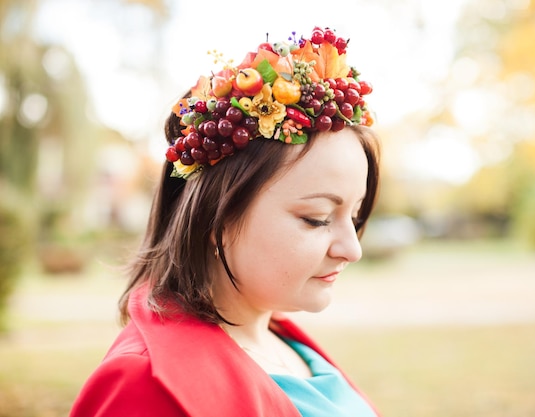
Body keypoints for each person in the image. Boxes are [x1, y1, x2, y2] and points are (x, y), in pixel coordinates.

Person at [70, 26, 381, 417]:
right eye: (316, 219)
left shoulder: (287, 344)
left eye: (354, 215)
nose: (352, 249)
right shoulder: (145, 384)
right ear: (216, 219)